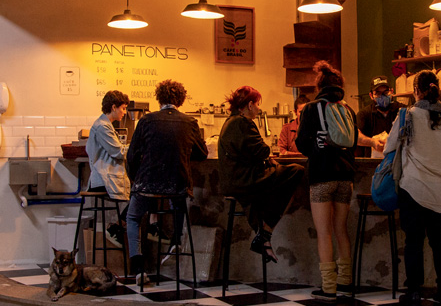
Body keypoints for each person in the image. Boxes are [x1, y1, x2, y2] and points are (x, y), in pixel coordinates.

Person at [383, 69, 441, 306]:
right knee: (440, 241)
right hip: (440, 191)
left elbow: (389, 147)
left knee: (414, 242)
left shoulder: (407, 116)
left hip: (413, 187)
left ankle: (414, 291)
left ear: (416, 91)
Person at [124, 79, 208, 285]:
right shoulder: (190, 123)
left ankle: (137, 267)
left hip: (147, 184)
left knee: (133, 217)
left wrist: (136, 181)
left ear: (159, 98)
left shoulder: (146, 121)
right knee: (178, 203)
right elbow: (202, 153)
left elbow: (132, 156)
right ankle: (176, 241)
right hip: (177, 184)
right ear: (181, 99)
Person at [219, 85, 305, 263]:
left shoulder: (230, 122)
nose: (259, 109)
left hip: (236, 181)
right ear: (250, 105)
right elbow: (262, 150)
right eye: (257, 104)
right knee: (296, 171)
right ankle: (266, 231)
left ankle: (264, 237)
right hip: (246, 180)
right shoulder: (242, 123)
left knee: (273, 183)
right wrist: (268, 155)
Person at [296, 61, 358, 302]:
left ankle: (328, 287)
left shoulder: (311, 109)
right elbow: (352, 143)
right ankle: (345, 281)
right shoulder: (348, 110)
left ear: (319, 86)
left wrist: (316, 147)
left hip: (322, 176)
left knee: (324, 232)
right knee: (340, 229)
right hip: (346, 177)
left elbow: (301, 143)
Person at [85, 90, 130, 245]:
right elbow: (118, 152)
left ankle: (118, 226)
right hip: (103, 180)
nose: (124, 112)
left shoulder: (105, 125)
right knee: (140, 194)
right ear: (113, 107)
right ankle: (117, 227)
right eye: (123, 108)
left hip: (104, 177)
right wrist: (138, 147)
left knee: (139, 194)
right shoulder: (103, 127)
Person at [356, 75, 401, 158]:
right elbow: (356, 137)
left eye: (386, 92)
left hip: (397, 161)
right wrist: (372, 142)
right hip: (374, 164)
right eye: (378, 93)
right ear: (371, 95)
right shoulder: (364, 114)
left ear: (392, 92)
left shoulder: (401, 111)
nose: (382, 96)